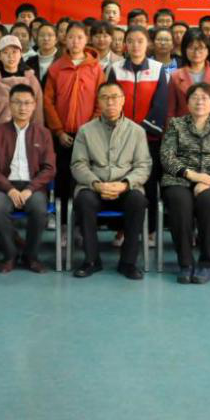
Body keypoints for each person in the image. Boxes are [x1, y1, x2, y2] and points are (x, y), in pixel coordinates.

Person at [70, 80, 151, 280]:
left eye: (115, 97)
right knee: (84, 200)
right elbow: (78, 164)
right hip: (94, 186)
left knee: (138, 200)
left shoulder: (137, 131)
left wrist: (125, 184)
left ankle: (128, 263)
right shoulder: (85, 131)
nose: (110, 102)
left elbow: (143, 165)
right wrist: (97, 184)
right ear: (98, 101)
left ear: (123, 100)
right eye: (105, 98)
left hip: (125, 187)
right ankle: (91, 260)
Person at [160, 82, 210, 285]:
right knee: (179, 202)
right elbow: (167, 156)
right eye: (194, 97)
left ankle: (208, 263)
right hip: (180, 179)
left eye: (204, 98)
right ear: (187, 103)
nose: (199, 101)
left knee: (209, 201)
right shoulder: (176, 124)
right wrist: (194, 176)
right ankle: (185, 263)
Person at [0, 83, 55, 273]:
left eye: (27, 103)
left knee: (39, 209)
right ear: (10, 104)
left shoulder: (43, 133)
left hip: (33, 186)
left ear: (34, 105)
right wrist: (9, 189)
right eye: (17, 102)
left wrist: (30, 189)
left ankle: (31, 257)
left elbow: (49, 168)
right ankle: (10, 256)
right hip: (5, 185)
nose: (23, 107)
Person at [108, 26, 170, 246]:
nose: (135, 45)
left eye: (140, 41)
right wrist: (123, 130)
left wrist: (141, 131)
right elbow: (111, 100)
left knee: (149, 184)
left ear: (148, 44)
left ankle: (150, 230)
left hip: (148, 138)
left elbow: (161, 104)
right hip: (120, 137)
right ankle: (122, 229)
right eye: (131, 41)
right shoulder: (115, 69)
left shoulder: (157, 69)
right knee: (121, 182)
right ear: (125, 44)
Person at [43, 22, 105, 216]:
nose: (75, 41)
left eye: (79, 37)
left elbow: (101, 100)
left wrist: (91, 129)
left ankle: (81, 221)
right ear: (65, 40)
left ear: (86, 40)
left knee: (85, 178)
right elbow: (47, 101)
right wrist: (58, 131)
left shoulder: (96, 68)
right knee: (62, 177)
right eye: (71, 37)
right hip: (63, 135)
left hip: (89, 134)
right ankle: (61, 220)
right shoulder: (56, 68)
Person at [0, 35, 44, 138]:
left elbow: (37, 113)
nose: (10, 56)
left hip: (27, 136)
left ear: (20, 54)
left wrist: (34, 136)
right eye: (5, 52)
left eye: (14, 52)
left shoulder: (31, 80)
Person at [168, 28, 210, 127]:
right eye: (191, 48)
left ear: (208, 50)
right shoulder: (175, 76)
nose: (196, 52)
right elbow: (170, 111)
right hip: (183, 132)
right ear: (184, 50)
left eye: (201, 48)